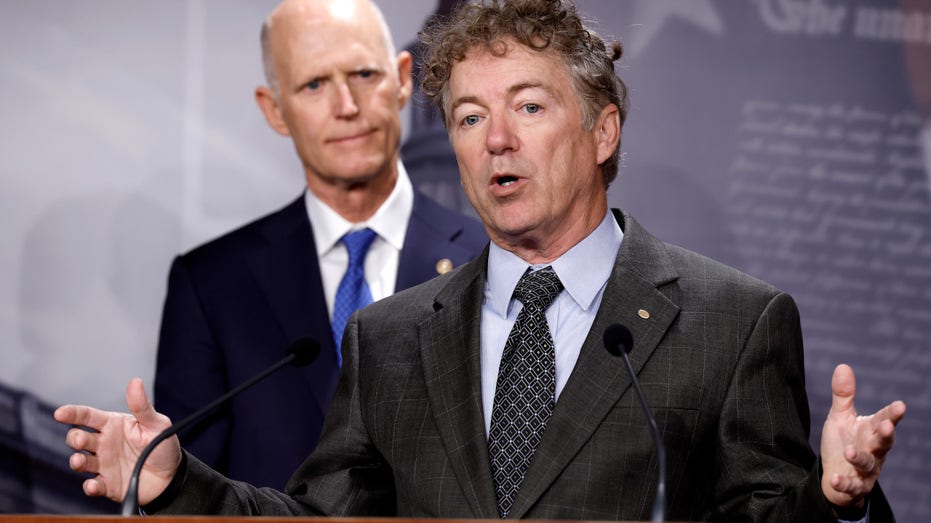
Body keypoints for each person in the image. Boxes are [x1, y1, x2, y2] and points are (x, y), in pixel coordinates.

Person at [56, 0, 906, 521]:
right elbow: (320, 517)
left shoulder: (733, 319)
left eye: (527, 106)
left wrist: (834, 500)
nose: (494, 139)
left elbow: (765, 519)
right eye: (467, 117)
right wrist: (179, 484)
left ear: (602, 130)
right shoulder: (388, 338)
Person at [152, 0, 487, 491]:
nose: (346, 107)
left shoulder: (493, 260)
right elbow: (195, 490)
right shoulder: (212, 285)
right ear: (275, 109)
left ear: (402, 79)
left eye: (364, 75)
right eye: (314, 85)